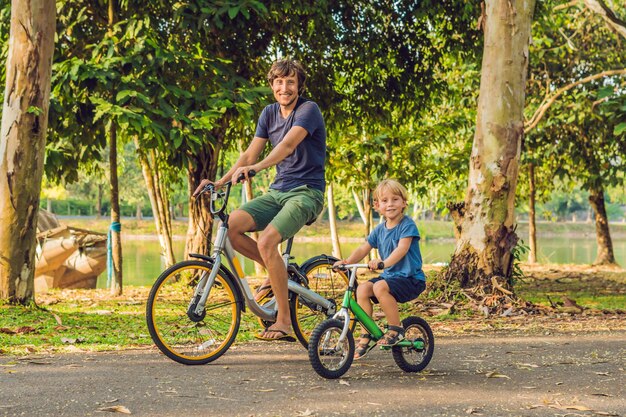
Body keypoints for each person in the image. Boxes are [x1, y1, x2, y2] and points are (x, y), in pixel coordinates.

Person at [193, 58, 326, 341]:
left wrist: (256, 169)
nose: (284, 87)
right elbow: (249, 155)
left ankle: (284, 320)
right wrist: (221, 181)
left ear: (299, 85)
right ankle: (280, 271)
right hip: (278, 192)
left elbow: (289, 145)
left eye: (290, 82)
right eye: (279, 82)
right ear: (272, 86)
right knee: (232, 227)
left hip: (306, 192)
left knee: (266, 242)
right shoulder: (268, 113)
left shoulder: (308, 110)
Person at [333, 179, 426, 359]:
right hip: (391, 278)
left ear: (404, 203)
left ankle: (396, 329)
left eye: (395, 199)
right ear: (377, 206)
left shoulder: (407, 225)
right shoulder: (379, 229)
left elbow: (402, 249)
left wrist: (383, 263)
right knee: (362, 289)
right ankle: (366, 333)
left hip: (411, 279)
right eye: (384, 201)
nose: (390, 204)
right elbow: (363, 248)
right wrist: (346, 261)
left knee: (379, 286)